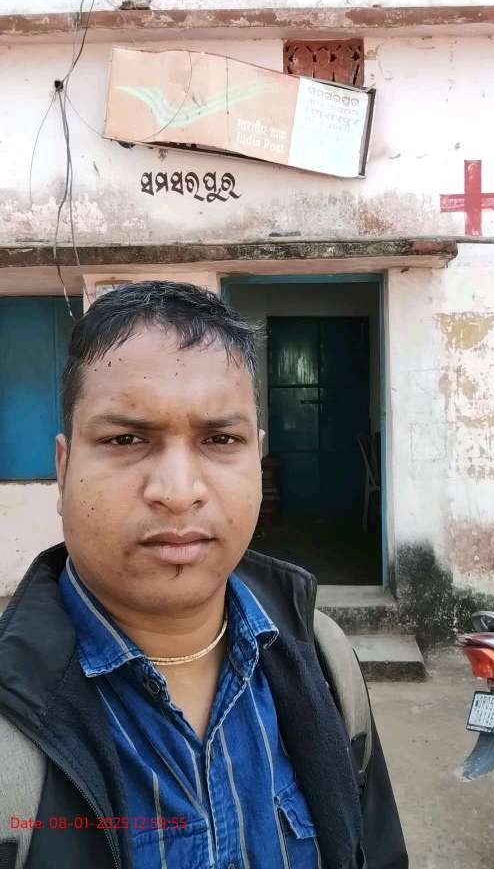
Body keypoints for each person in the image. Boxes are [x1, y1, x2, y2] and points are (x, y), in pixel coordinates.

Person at [0, 281, 407, 869]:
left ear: (256, 458)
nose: (178, 492)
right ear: (64, 469)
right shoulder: (12, 726)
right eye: (125, 439)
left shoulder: (323, 659)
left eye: (220, 439)